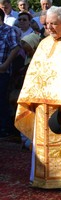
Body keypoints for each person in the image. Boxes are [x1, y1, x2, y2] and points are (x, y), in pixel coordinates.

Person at [15, 6, 61, 189]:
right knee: (42, 142)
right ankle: (41, 179)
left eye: (54, 24)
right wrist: (30, 96)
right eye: (47, 24)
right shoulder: (43, 44)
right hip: (41, 103)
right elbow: (34, 71)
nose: (49, 27)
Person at [0, 9, 21, 138]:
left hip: (2, 72)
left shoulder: (8, 30)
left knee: (1, 100)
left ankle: (4, 128)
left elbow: (16, 47)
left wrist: (5, 64)